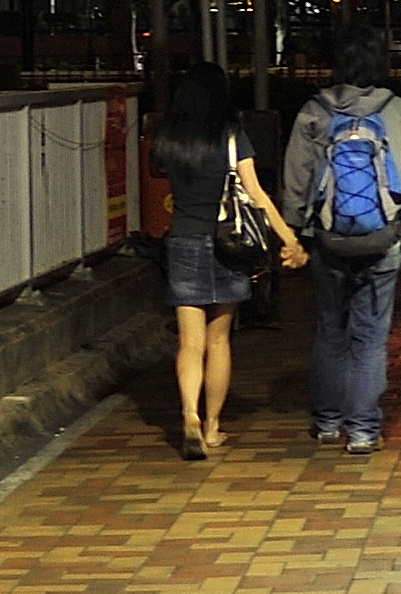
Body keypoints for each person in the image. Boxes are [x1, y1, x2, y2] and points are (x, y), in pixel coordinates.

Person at [281, 25, 401, 455]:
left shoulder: (314, 110)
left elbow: (296, 175)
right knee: (371, 335)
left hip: (328, 238)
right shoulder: (399, 110)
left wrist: (295, 231)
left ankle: (327, 422)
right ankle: (362, 430)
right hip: (384, 236)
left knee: (331, 327)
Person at [153, 61, 307, 461]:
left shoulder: (169, 137)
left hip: (184, 239)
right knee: (219, 339)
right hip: (229, 243)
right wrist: (289, 240)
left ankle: (187, 415)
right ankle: (212, 426)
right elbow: (256, 194)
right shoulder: (233, 135)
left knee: (190, 341)